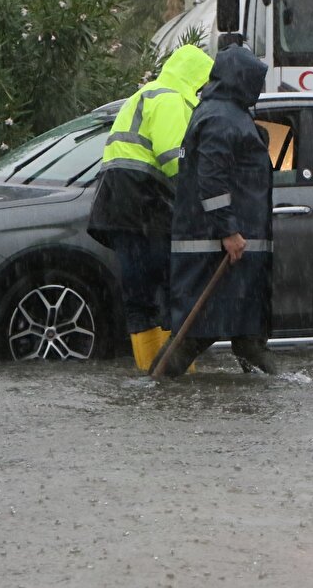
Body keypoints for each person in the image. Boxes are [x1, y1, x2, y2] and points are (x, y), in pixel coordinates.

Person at [151, 44, 277, 378]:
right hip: (216, 249)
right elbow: (212, 180)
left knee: (241, 335)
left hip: (224, 247)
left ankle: (270, 389)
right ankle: (158, 387)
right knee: (197, 333)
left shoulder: (222, 113)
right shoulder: (223, 118)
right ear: (242, 80)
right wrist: (229, 231)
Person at [87, 44, 214, 371]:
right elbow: (174, 160)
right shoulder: (172, 99)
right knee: (171, 295)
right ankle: (176, 374)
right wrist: (205, 199)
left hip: (119, 206)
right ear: (196, 80)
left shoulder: (146, 94)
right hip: (147, 205)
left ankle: (151, 373)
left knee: (139, 300)